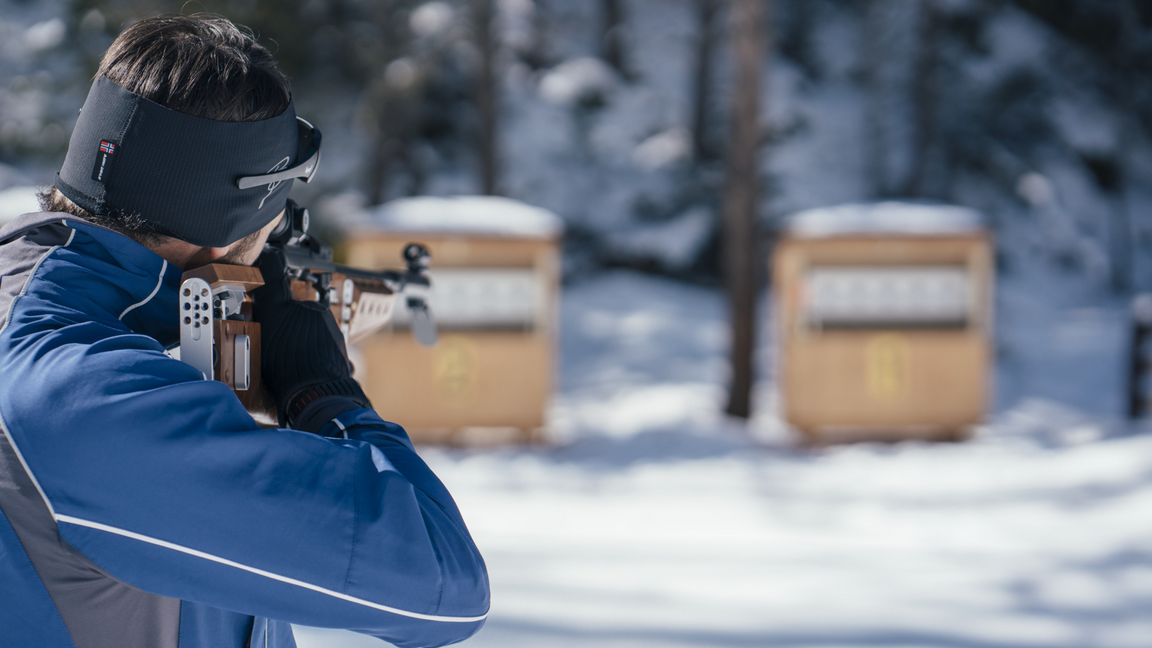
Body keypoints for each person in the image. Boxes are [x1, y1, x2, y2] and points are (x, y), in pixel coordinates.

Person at [0, 14, 489, 648]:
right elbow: (445, 589)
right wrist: (324, 393)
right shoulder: (90, 396)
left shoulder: (43, 315)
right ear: (238, 225)